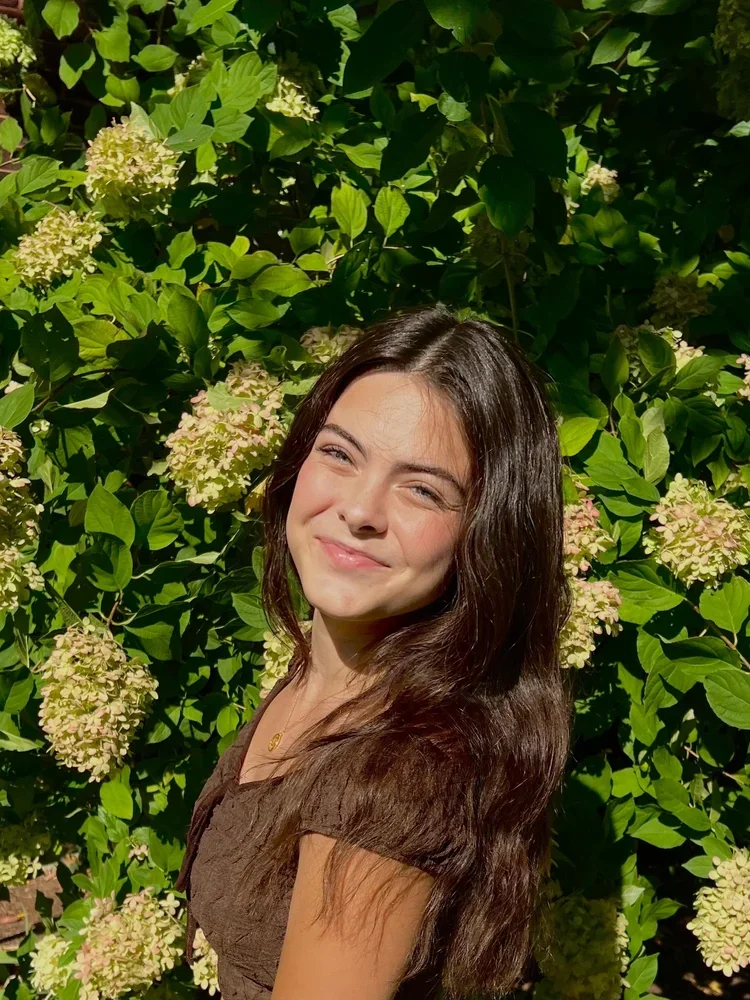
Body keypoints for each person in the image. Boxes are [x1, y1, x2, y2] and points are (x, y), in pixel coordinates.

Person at [175, 303, 574, 1000]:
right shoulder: (328, 672)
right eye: (339, 453)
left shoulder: (392, 782)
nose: (360, 511)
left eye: (422, 490)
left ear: (487, 535)